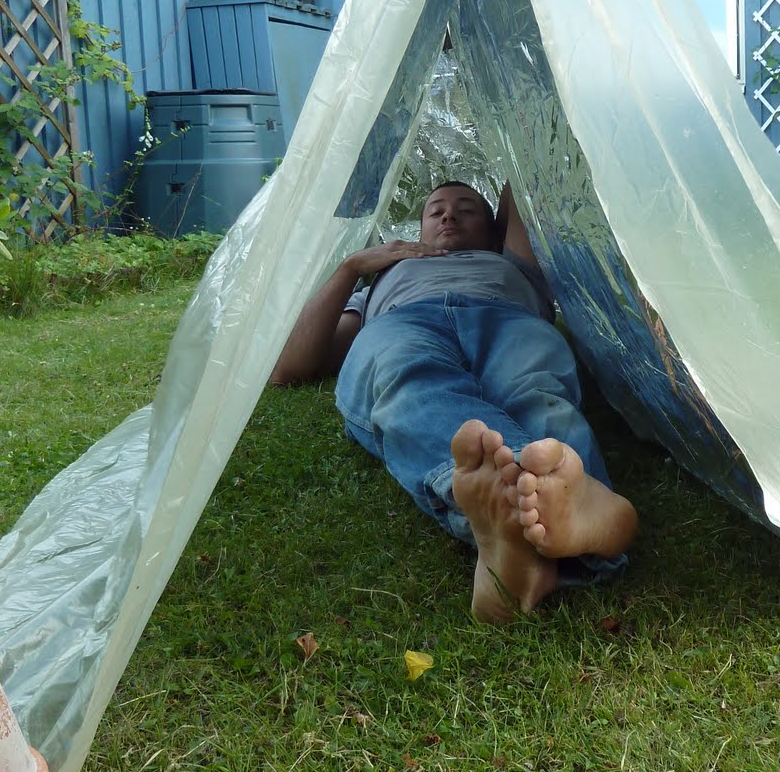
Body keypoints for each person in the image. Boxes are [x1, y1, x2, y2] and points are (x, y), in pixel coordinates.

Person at [269, 181, 638, 622]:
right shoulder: (380, 284)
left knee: (534, 390)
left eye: (467, 209)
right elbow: (288, 369)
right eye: (436, 211)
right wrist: (351, 267)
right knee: (410, 381)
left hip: (506, 317)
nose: (449, 216)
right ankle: (571, 511)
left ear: (492, 230)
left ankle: (526, 522)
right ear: (419, 229)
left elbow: (519, 181)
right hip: (406, 323)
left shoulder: (512, 263)